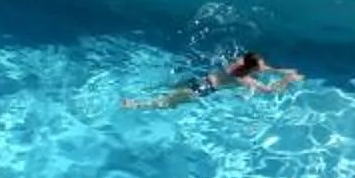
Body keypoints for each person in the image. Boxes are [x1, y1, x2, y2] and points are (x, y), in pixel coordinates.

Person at [125, 50, 302, 110]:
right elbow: (270, 90)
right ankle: (137, 105)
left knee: (169, 89)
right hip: (202, 90)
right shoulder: (244, 79)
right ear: (252, 68)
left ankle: (140, 98)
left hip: (200, 80)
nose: (264, 67)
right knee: (168, 102)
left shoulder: (237, 62)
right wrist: (287, 79)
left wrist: (285, 71)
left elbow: (265, 68)